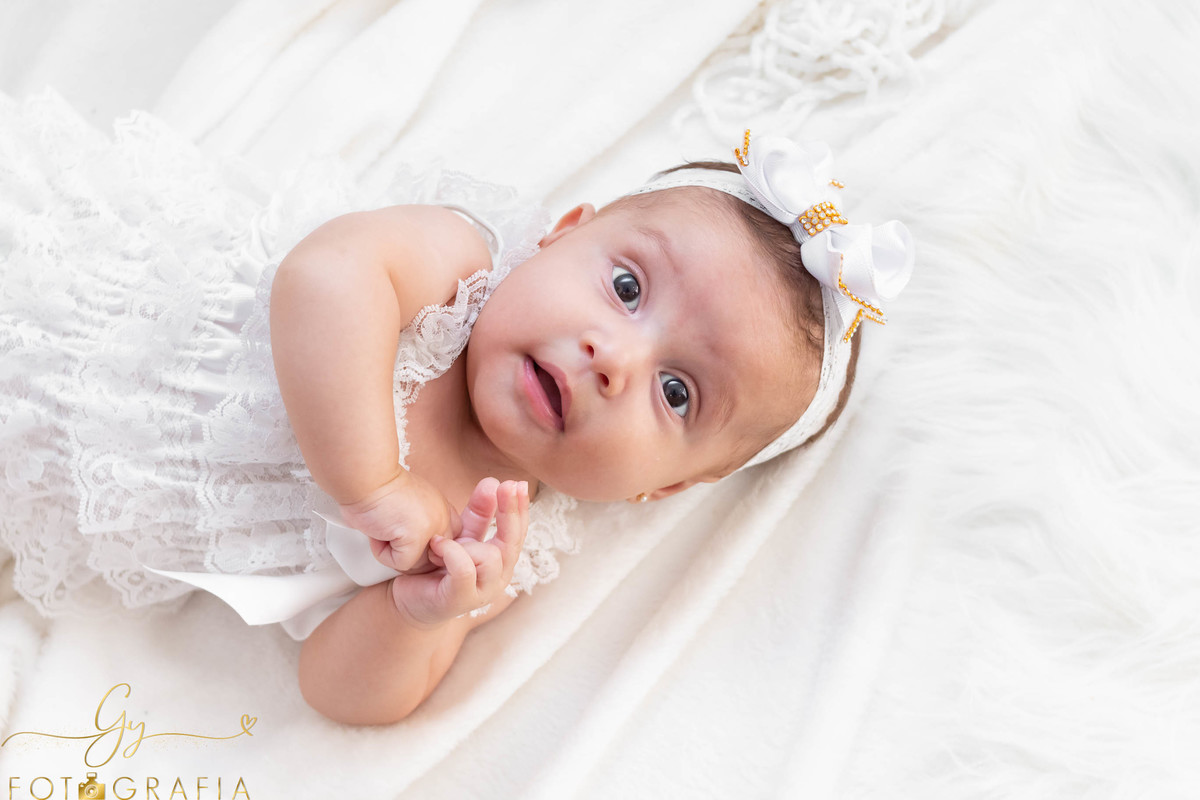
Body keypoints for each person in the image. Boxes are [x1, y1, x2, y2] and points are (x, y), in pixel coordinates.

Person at [0, 89, 913, 725]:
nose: (613, 359)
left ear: (664, 490)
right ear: (562, 234)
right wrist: (371, 483)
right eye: (627, 286)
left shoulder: (492, 544)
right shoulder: (457, 271)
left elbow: (337, 691)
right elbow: (321, 279)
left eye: (678, 393)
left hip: (41, 471)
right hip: (65, 288)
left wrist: (417, 618)